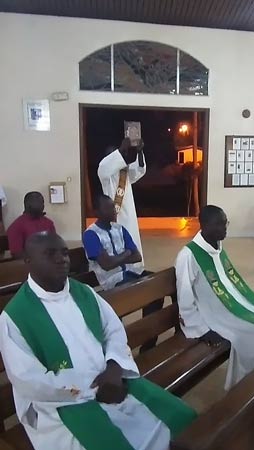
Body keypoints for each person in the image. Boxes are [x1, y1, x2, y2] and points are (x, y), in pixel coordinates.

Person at [0, 232, 197, 450]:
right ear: (28, 261)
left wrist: (114, 368)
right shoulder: (15, 317)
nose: (61, 259)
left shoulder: (84, 292)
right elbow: (29, 380)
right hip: (60, 402)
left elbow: (113, 330)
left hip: (110, 380)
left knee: (181, 422)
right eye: (50, 253)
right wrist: (89, 389)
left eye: (64, 253)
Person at [175, 206, 254, 390]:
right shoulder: (189, 255)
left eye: (226, 223)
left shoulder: (217, 247)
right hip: (214, 316)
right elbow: (184, 299)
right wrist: (202, 330)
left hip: (232, 305)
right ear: (205, 225)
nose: (225, 228)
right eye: (219, 224)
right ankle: (249, 388)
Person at [98, 137, 146, 274]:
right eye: (115, 154)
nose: (120, 156)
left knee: (131, 243)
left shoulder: (124, 173)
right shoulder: (104, 173)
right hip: (113, 216)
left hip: (128, 216)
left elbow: (139, 171)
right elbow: (105, 166)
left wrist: (140, 152)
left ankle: (134, 272)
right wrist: (121, 149)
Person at [83, 194, 143, 290]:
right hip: (111, 281)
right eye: (107, 208)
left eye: (113, 207)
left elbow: (137, 257)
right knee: (143, 288)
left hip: (131, 274)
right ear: (97, 212)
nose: (113, 211)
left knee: (157, 282)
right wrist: (127, 253)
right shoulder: (91, 234)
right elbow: (107, 265)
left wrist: (114, 259)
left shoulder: (120, 229)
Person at [7, 191, 55, 258]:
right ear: (28, 205)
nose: (43, 205)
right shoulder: (16, 227)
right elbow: (17, 254)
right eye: (40, 202)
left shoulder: (48, 223)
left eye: (43, 202)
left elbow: (55, 245)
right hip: (30, 262)